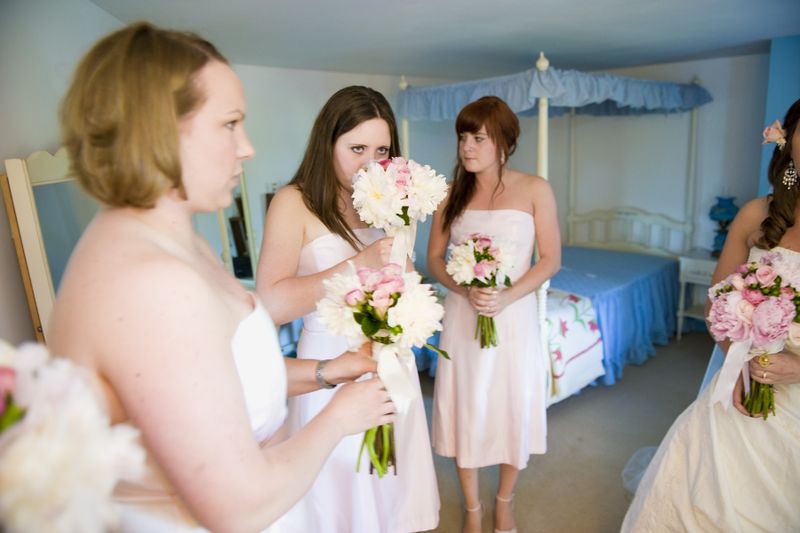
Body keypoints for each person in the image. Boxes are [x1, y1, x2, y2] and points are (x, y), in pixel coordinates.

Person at [50, 23, 394, 533]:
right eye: (230, 124)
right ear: (159, 131)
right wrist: (338, 418)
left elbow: (219, 379)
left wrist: (327, 371)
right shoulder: (152, 282)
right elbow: (237, 507)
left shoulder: (177, 242)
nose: (248, 147)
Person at [256, 86, 440, 533]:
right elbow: (271, 305)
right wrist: (356, 264)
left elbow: (405, 281)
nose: (369, 164)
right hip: (328, 371)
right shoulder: (293, 202)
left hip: (392, 366)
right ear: (328, 143)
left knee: (393, 486)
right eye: (356, 148)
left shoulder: (391, 205)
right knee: (341, 493)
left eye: (381, 150)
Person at [621, 99, 800, 531]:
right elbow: (717, 303)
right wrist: (739, 364)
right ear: (789, 141)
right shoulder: (757, 214)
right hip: (741, 381)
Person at [427, 95, 561, 533]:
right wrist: (464, 287)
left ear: (503, 141)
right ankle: (472, 508)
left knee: (510, 406)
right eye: (463, 137)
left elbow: (550, 260)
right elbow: (434, 259)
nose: (467, 147)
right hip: (465, 318)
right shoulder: (451, 193)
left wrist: (507, 296)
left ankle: (504, 501)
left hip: (514, 318)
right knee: (468, 406)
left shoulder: (536, 188)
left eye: (478, 137)